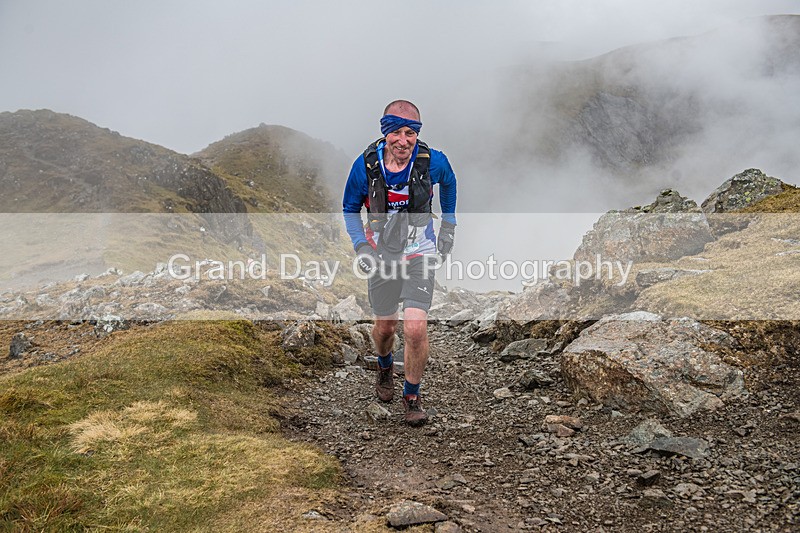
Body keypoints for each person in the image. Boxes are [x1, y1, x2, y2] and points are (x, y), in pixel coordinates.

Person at [343, 100, 457, 426]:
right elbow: (350, 208)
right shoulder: (366, 166)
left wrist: (448, 225)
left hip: (421, 252)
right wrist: (361, 246)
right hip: (381, 255)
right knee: (385, 328)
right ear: (385, 133)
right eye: (396, 133)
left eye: (410, 133)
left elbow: (449, 182)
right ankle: (383, 365)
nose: (403, 141)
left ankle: (412, 394)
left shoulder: (433, 162)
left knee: (416, 327)